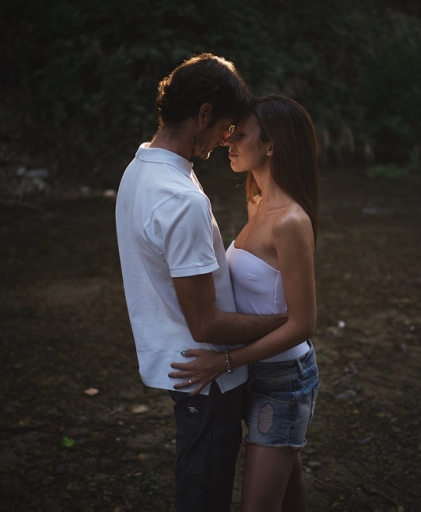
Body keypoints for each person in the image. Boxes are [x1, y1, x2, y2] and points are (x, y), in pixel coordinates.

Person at [115, 55, 287, 512]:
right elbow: (207, 323)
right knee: (204, 496)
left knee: (205, 481)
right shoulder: (179, 199)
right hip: (207, 377)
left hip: (180, 368)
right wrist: (286, 321)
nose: (227, 140)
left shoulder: (139, 170)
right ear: (205, 113)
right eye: (226, 127)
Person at [169, 95, 321, 512]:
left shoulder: (291, 221)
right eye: (230, 133)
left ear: (272, 145)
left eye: (241, 134)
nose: (228, 141)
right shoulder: (255, 200)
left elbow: (304, 323)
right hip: (252, 371)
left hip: (284, 380)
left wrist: (226, 361)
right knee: (287, 482)